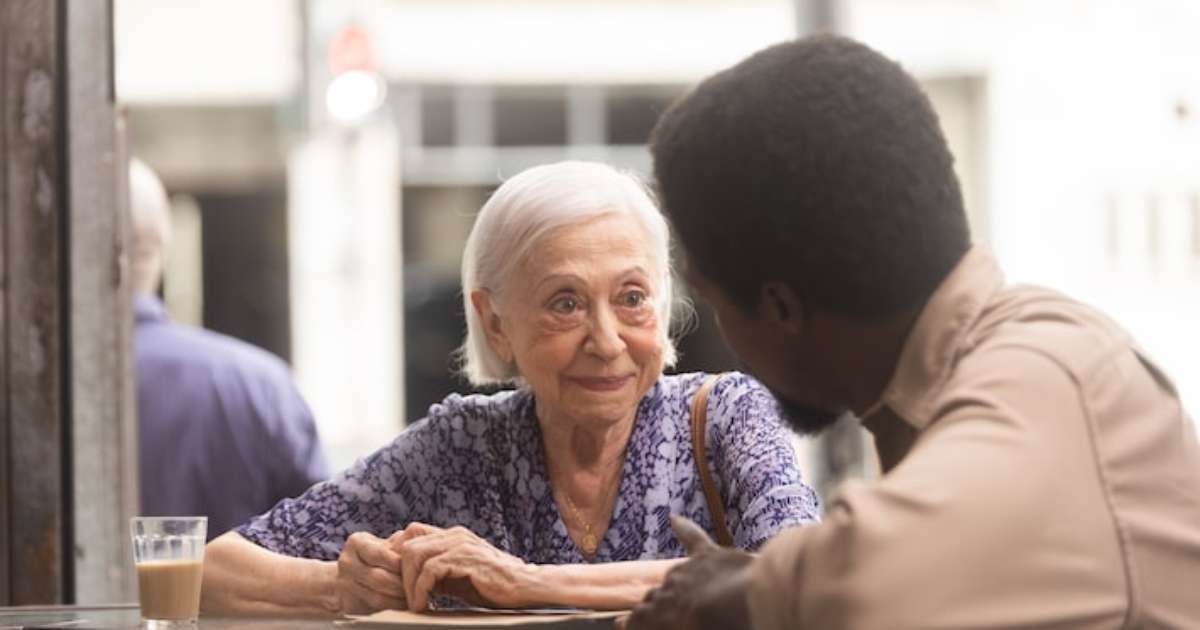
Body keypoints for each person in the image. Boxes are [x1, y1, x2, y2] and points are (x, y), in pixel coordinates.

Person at [625, 34, 1200, 630]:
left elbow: (870, 587)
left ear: (780, 307)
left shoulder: (1053, 374)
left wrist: (747, 593)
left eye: (713, 299)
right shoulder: (987, 373)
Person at [199, 161, 820, 616]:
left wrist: (523, 582)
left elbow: (802, 575)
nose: (606, 341)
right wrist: (342, 586)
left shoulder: (727, 417)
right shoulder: (464, 443)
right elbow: (211, 571)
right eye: (566, 303)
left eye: (632, 298)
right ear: (497, 323)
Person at [130, 159, 329, 542]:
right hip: (230, 605)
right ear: (162, 245)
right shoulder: (263, 386)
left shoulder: (27, 387)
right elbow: (325, 545)